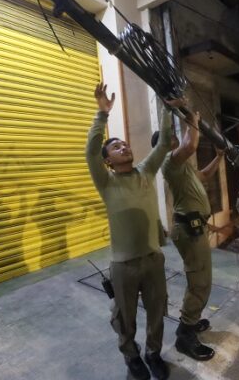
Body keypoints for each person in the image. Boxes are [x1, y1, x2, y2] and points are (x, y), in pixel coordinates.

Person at [86, 83, 174, 380]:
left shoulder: (146, 172)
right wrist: (102, 114)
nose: (123, 146)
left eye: (124, 143)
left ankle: (153, 353)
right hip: (123, 265)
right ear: (108, 161)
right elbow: (89, 152)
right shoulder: (107, 182)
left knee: (156, 311)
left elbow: (163, 144)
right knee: (124, 318)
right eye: (115, 146)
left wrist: (167, 106)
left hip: (153, 259)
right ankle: (132, 356)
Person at [151, 109, 223, 362]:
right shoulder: (169, 162)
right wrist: (191, 120)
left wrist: (219, 157)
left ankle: (191, 321)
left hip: (196, 228)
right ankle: (185, 333)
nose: (175, 142)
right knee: (200, 281)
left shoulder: (183, 167)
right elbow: (190, 144)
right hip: (188, 230)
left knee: (202, 278)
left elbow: (204, 175)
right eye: (170, 140)